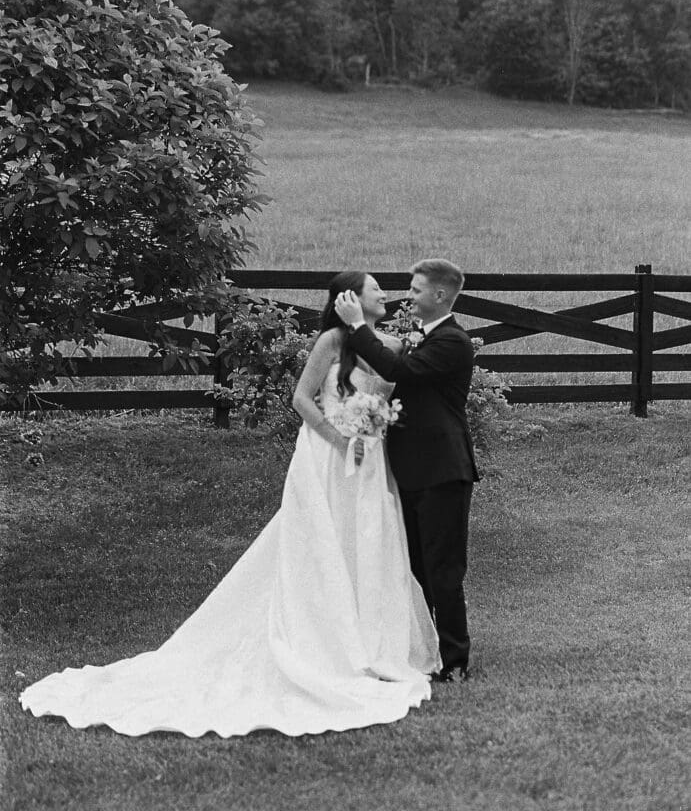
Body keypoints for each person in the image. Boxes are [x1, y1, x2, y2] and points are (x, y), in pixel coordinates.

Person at [19, 271, 440, 738]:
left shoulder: (391, 347)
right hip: (327, 454)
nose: (384, 293)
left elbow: (390, 391)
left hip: (370, 458)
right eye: (374, 288)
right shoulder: (331, 342)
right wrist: (340, 439)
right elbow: (301, 398)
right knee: (321, 542)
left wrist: (372, 425)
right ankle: (325, 642)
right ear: (350, 299)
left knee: (368, 540)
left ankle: (372, 642)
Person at [335, 258, 478, 682]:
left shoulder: (452, 341)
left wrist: (358, 326)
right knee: (417, 567)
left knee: (443, 569)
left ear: (439, 295)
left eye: (416, 290)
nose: (408, 296)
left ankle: (455, 662)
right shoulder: (424, 338)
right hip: (412, 470)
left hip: (443, 470)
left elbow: (398, 371)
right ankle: (426, 651)